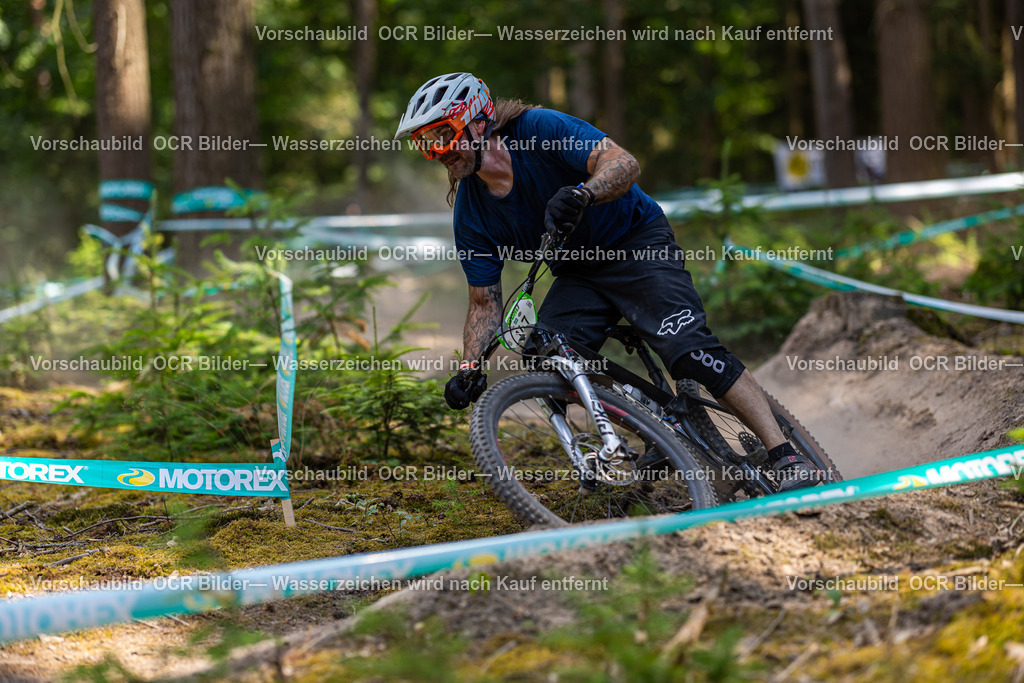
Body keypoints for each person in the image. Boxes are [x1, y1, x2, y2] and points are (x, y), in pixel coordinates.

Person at [395, 72, 818, 491]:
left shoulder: (539, 129)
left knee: (689, 351)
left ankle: (786, 455)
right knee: (550, 359)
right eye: (425, 144)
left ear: (477, 121)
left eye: (442, 135)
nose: (438, 152)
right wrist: (470, 366)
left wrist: (584, 193)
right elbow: (485, 303)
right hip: (578, 273)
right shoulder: (470, 214)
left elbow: (623, 162)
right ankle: (655, 428)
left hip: (635, 241)